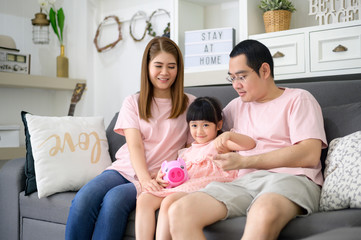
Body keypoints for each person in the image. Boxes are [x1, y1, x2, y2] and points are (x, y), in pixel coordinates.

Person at [167, 39, 328, 240]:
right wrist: (167, 169)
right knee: (179, 211)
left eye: (241, 76)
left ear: (265, 70)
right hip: (244, 184)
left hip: (292, 179)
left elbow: (309, 154)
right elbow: (201, 138)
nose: (236, 85)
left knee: (262, 211)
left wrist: (245, 161)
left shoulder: (299, 99)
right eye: (232, 78)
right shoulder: (235, 107)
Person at [65, 37, 196, 240]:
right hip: (126, 169)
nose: (165, 72)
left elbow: (191, 150)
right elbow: (134, 145)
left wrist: (165, 175)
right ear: (147, 67)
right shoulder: (133, 102)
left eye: (171, 66)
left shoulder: (190, 104)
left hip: (161, 175)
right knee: (84, 198)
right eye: (158, 66)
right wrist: (144, 179)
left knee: (114, 200)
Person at [135, 96, 256, 240]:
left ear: (218, 125)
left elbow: (250, 144)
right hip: (186, 185)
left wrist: (229, 135)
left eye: (205, 125)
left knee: (168, 202)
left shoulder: (220, 144)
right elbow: (176, 170)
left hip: (208, 185)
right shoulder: (187, 151)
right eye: (194, 125)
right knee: (144, 199)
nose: (199, 131)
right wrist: (160, 175)